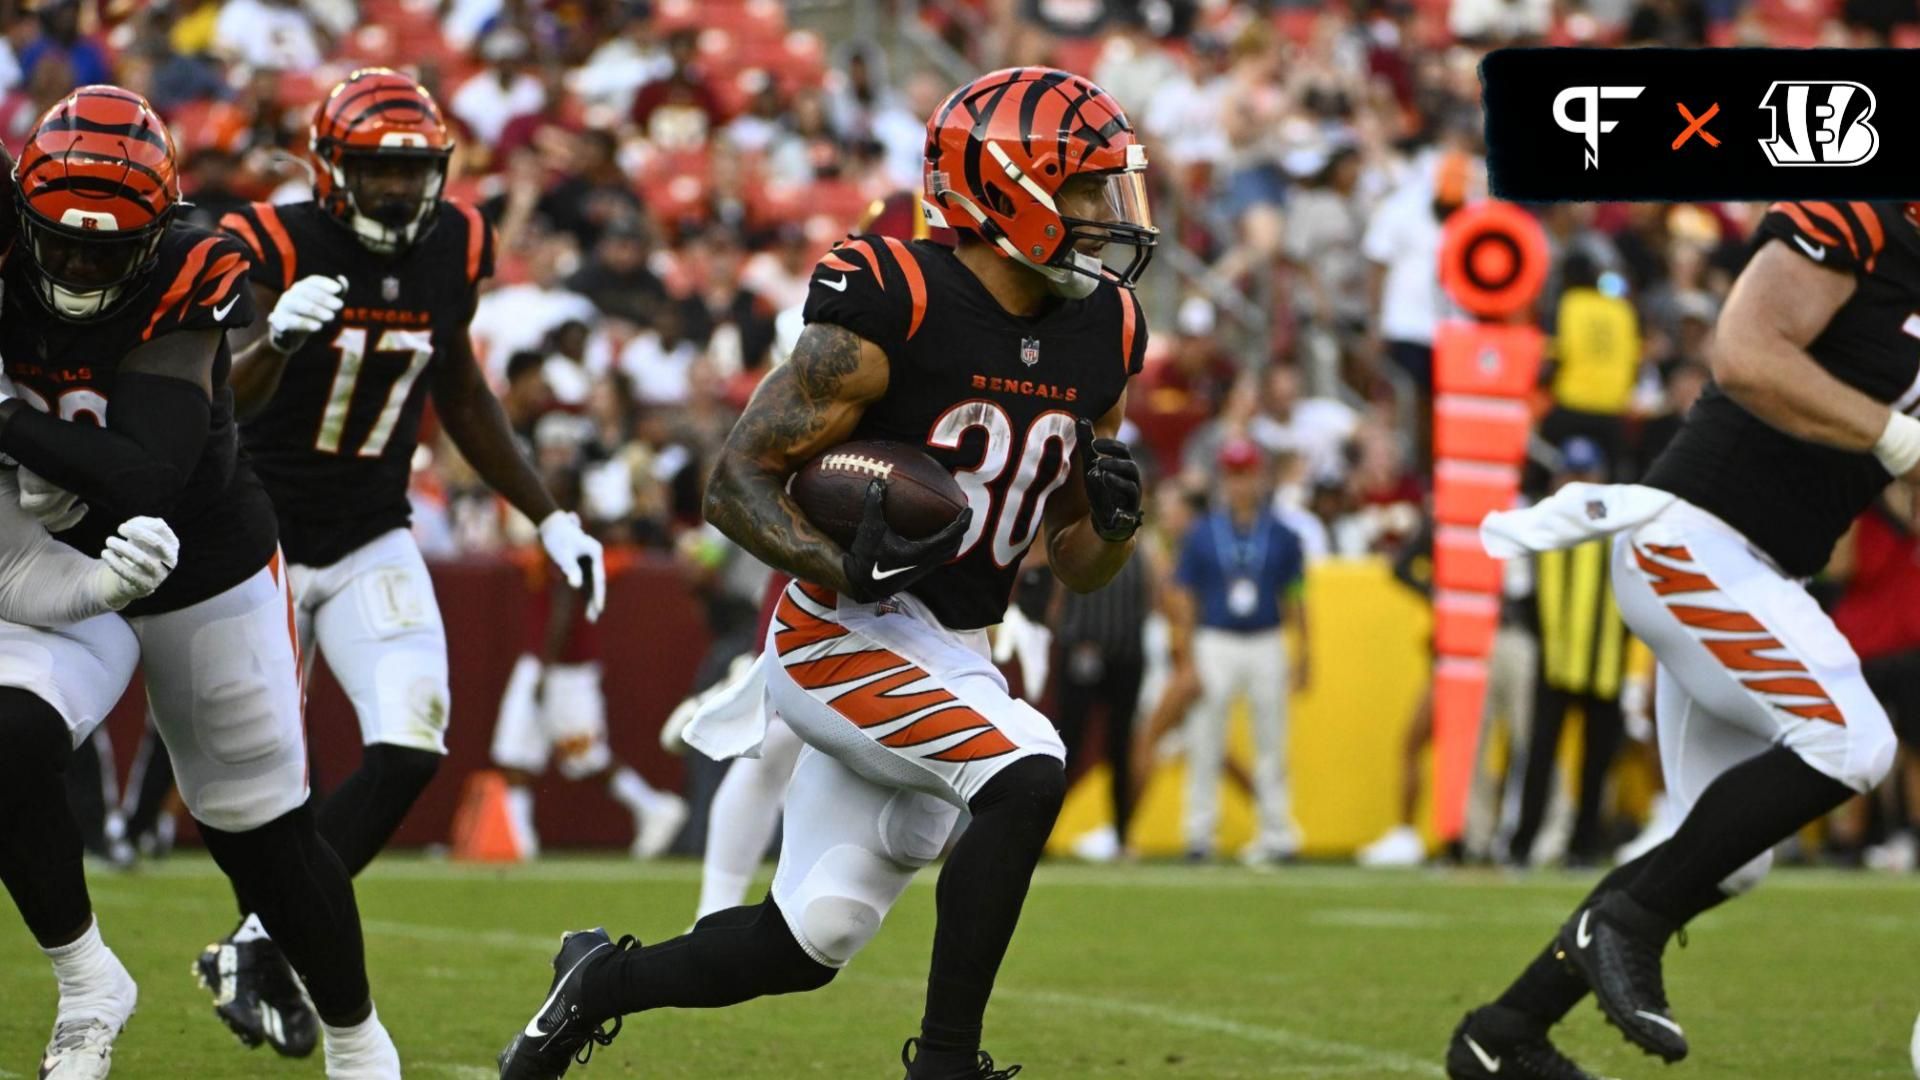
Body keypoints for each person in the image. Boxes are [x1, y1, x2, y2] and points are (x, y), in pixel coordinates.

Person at [497, 66, 1156, 1080]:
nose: (1106, 215)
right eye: (1082, 189)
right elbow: (735, 486)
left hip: (957, 650)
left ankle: (597, 983)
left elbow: (1075, 557)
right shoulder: (897, 296)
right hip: (838, 631)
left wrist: (1112, 524)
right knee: (1026, 770)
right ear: (1004, 190)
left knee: (814, 940)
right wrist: (840, 557)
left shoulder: (1104, 329)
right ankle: (946, 1063)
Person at [1453, 200, 1905, 1079]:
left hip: (1758, 571)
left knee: (1727, 858)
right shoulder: (1865, 216)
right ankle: (1621, 923)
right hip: (1697, 541)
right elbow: (1744, 354)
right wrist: (1897, 437)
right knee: (1853, 741)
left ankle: (1502, 1035)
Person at [0, 86, 400, 1077]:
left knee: (259, 836)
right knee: (3, 742)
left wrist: (9, 427)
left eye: (107, 249)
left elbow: (148, 472)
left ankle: (358, 1043)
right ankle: (90, 981)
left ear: (157, 232)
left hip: (198, 557)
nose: (81, 266)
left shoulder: (194, 260)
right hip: (48, 559)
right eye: (62, 242)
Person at [211, 68, 606, 1057]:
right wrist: (272, 345)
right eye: (381, 170)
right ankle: (251, 939)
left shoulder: (456, 242)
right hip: (253, 536)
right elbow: (217, 403)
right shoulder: (270, 241)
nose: (400, 189)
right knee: (264, 791)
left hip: (371, 530)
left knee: (412, 745)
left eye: (415, 169)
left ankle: (259, 941)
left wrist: (549, 517)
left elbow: (460, 387)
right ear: (331, 167)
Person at [490, 434, 686, 860]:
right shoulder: (552, 530)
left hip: (564, 665)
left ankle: (654, 807)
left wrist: (543, 667)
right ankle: (520, 843)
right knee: (514, 752)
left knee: (586, 756)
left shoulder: (569, 533)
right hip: (542, 660)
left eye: (555, 484)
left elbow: (563, 604)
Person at [1168, 438, 1309, 864]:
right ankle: (1199, 833)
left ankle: (1277, 833)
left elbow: (1295, 595)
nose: (1240, 483)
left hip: (1266, 638)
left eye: (1246, 473)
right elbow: (1184, 597)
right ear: (1223, 479)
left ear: (1260, 476)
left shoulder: (1283, 534)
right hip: (1216, 639)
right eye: (1233, 474)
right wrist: (1187, 652)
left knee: (1271, 740)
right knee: (1205, 737)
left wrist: (1304, 650)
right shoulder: (1202, 533)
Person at [1506, 438, 1632, 867]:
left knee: (1595, 765)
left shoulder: (1620, 528)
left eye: (1585, 474)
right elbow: (1518, 587)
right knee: (1538, 759)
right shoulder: (1541, 524)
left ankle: (1583, 845)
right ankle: (1522, 844)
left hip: (1606, 665)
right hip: (1554, 663)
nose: (1577, 484)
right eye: (1571, 474)